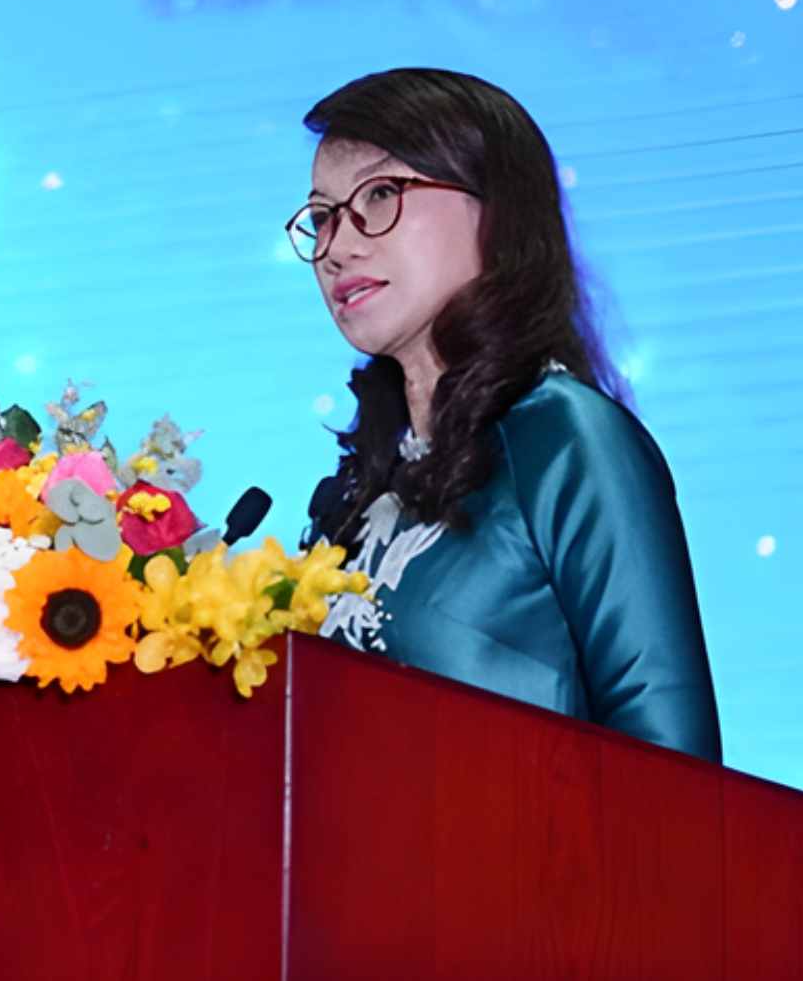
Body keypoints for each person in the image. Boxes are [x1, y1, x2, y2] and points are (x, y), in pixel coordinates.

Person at [294, 68, 722, 763]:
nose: (337, 246)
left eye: (380, 194)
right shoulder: (352, 497)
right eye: (322, 216)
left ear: (497, 209)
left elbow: (676, 771)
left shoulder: (565, 438)